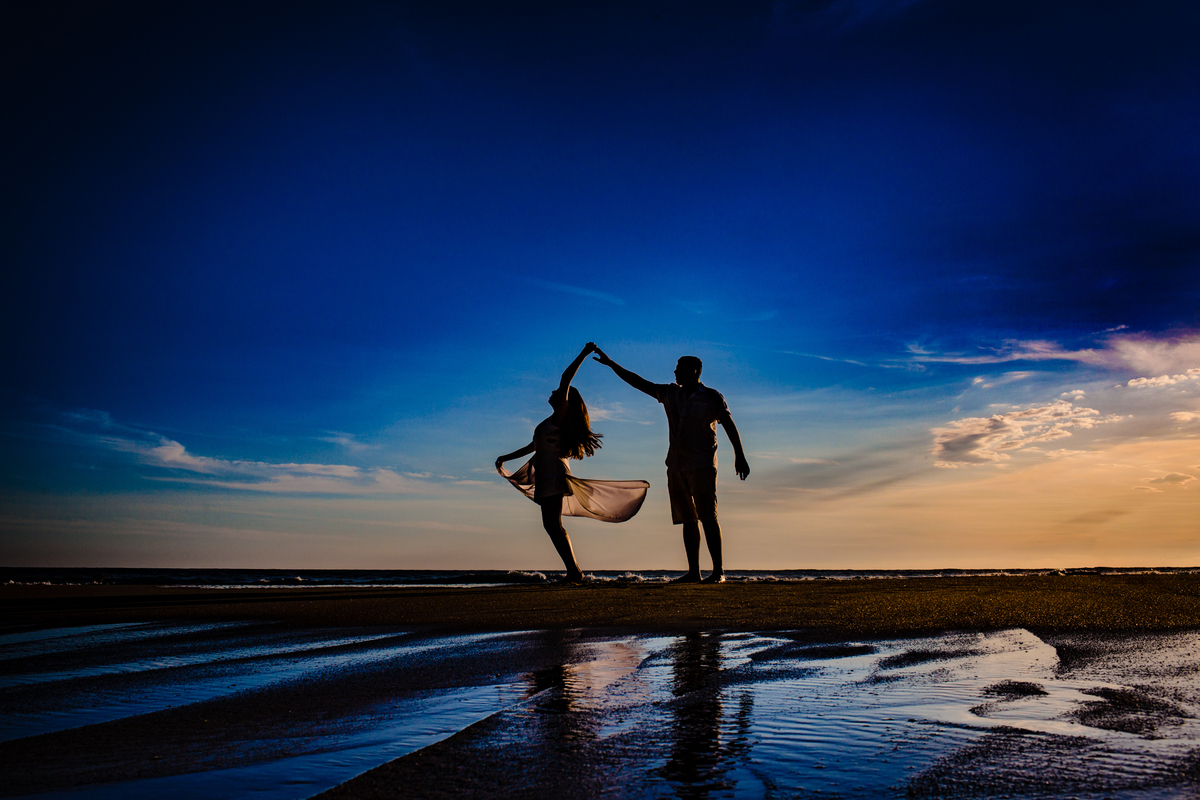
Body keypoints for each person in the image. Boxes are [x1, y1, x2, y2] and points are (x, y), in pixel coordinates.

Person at [496, 343, 649, 584]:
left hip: (554, 475)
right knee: (551, 525)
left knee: (552, 525)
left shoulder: (560, 414)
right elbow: (533, 446)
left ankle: (574, 572)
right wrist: (506, 457)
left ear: (565, 399)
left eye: (558, 392)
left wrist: (584, 353)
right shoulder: (551, 422)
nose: (553, 392)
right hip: (547, 474)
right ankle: (574, 571)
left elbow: (565, 378)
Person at [592, 348, 748, 583]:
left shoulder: (712, 396)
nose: (675, 372)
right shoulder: (669, 393)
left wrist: (740, 455)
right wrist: (612, 364)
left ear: (693, 371)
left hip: (702, 464)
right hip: (676, 464)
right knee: (688, 519)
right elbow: (638, 382)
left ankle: (718, 572)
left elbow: (728, 423)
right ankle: (694, 572)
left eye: (679, 368)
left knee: (708, 516)